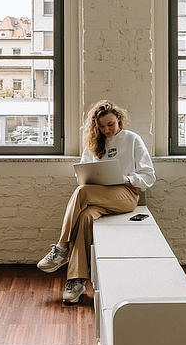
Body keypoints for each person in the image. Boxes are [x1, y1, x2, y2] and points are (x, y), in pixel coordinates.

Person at [37, 100, 156, 304]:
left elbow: (149, 175)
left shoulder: (132, 139)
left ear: (119, 119)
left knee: (82, 192)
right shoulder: (94, 144)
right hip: (98, 197)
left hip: (126, 195)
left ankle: (61, 247)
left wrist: (126, 178)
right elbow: (83, 173)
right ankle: (76, 281)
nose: (106, 130)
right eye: (101, 126)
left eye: (110, 124)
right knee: (84, 217)